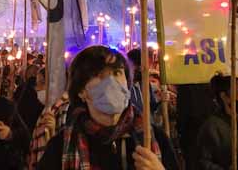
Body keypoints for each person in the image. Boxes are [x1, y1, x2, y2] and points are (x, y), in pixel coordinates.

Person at [38, 45, 179, 170]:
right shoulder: (60, 147)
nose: (111, 82)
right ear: (81, 91)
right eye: (99, 76)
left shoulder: (154, 138)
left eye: (117, 73)